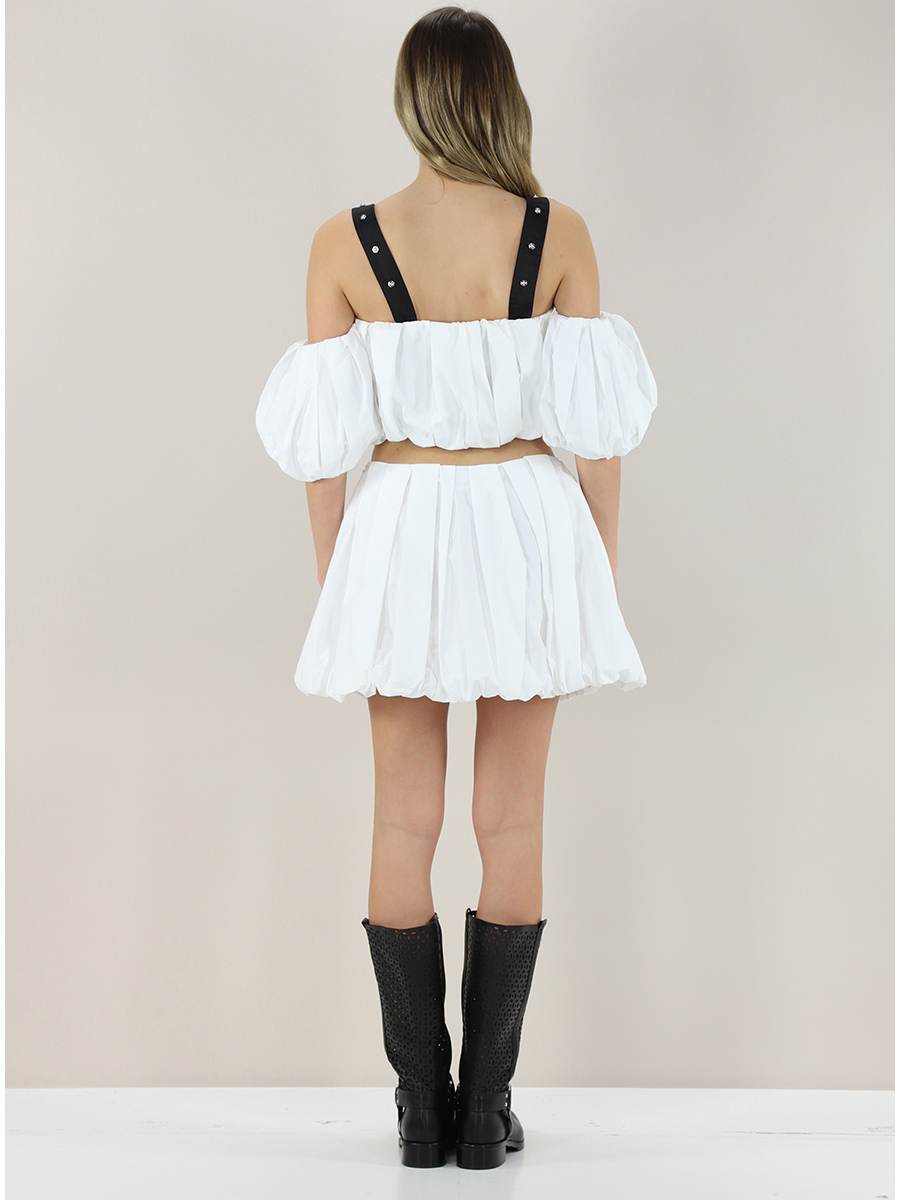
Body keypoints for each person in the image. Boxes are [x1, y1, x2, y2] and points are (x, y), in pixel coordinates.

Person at [256, 5, 657, 1172]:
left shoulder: (344, 241)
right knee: (513, 818)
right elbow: (597, 436)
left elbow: (325, 448)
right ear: (501, 96)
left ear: (411, 98)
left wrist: (341, 581)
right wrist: (598, 570)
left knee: (401, 819)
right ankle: (485, 1111)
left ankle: (419, 1112)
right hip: (528, 520)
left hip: (398, 524)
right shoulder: (556, 230)